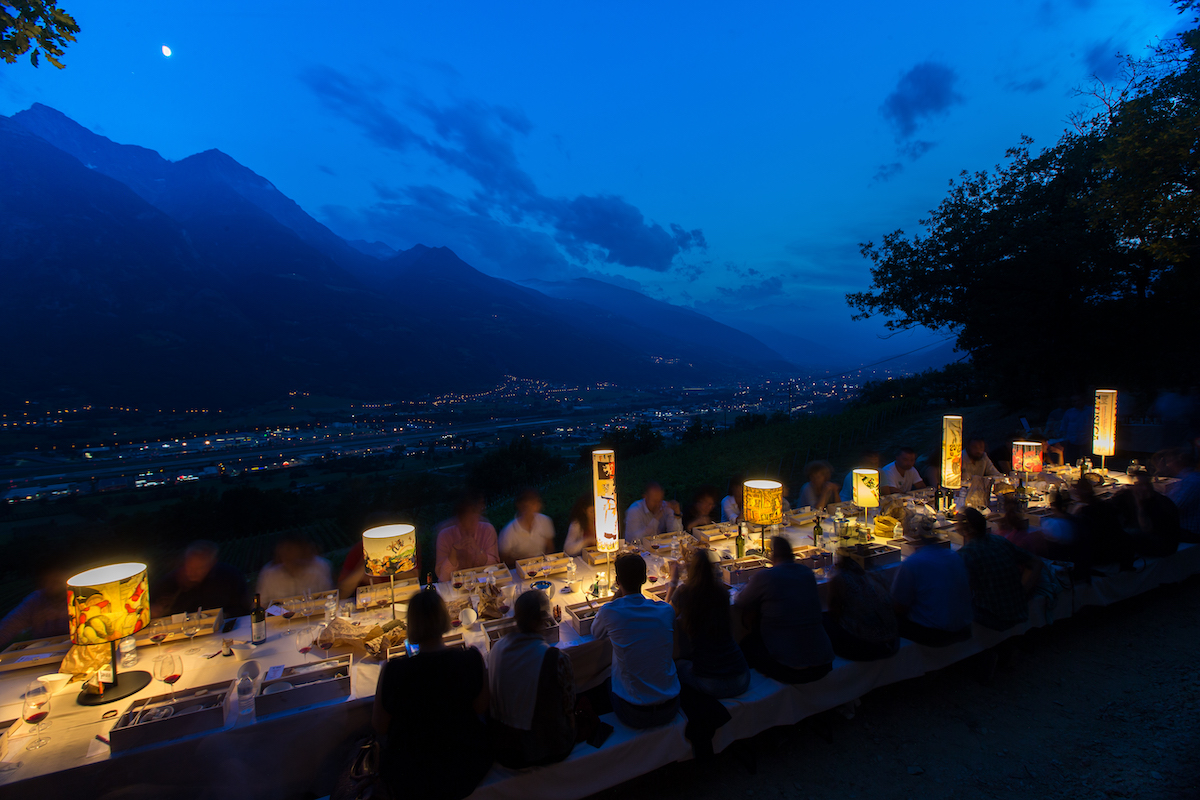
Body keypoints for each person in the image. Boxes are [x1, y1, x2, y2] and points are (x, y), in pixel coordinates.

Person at [374, 589, 490, 800]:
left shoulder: (394, 671)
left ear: (411, 624)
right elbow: (481, 708)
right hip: (464, 769)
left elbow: (379, 726)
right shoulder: (470, 660)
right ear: (444, 618)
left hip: (410, 778)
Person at [487, 590, 575, 768]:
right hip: (543, 749)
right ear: (543, 619)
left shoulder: (496, 649)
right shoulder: (556, 658)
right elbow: (569, 705)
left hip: (503, 747)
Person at [591, 553, 680, 729]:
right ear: (644, 579)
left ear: (617, 581)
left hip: (634, 713)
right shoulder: (665, 610)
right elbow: (666, 612)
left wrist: (617, 595)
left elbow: (596, 632)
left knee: (603, 677)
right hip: (670, 706)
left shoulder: (610, 611)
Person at [735, 537, 833, 684]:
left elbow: (740, 600)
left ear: (772, 556)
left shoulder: (766, 576)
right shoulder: (806, 573)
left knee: (746, 644)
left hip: (791, 668)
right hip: (823, 662)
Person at [667, 550, 750, 698]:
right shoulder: (722, 593)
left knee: (676, 665)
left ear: (690, 570)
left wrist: (673, 582)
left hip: (710, 683)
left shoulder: (685, 593)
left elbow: (665, 615)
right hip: (742, 677)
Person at [891, 515, 974, 646]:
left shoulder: (912, 563)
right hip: (963, 627)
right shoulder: (954, 556)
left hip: (935, 634)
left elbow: (899, 606)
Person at [957, 508, 1041, 632]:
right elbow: (1036, 562)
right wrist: (1023, 591)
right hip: (1018, 609)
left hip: (994, 617)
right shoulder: (1000, 541)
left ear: (965, 530)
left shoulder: (965, 554)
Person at [823, 554, 899, 662]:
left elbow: (834, 614)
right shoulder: (877, 571)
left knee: (823, 619)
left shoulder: (840, 578)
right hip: (893, 642)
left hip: (867, 647)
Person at [152, 540, 249, 618]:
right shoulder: (169, 582)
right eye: (189, 567)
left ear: (212, 563)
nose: (192, 573)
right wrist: (153, 612)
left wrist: (225, 615)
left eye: (200, 568)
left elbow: (243, 609)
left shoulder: (229, 576)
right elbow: (152, 609)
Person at [1111, 472, 1182, 558]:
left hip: (1162, 545)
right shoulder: (1127, 496)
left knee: (1123, 535)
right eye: (1140, 485)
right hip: (1150, 539)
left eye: (1147, 484)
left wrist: (1140, 507)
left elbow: (1147, 529)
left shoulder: (1161, 503)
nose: (1145, 488)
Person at [0, 564, 70, 650]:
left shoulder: (79, 597)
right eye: (46, 581)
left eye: (56, 580)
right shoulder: (35, 601)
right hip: (44, 653)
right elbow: (8, 627)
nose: (52, 584)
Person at [435, 494, 500, 583]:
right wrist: (453, 552)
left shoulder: (487, 530)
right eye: (464, 521)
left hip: (483, 582)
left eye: (472, 521)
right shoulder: (445, 536)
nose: (468, 525)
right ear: (458, 520)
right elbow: (443, 577)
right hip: (455, 585)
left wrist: (478, 550)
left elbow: (494, 567)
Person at [255, 533, 334, 606]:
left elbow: (330, 597)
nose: (287, 555)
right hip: (281, 616)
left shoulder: (320, 566)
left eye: (290, 550)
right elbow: (261, 604)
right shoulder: (269, 573)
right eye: (284, 551)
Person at [499, 488, 555, 566]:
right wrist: (525, 561)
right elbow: (503, 559)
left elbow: (550, 548)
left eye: (534, 503)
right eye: (527, 504)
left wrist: (542, 561)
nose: (530, 507)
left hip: (542, 566)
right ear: (519, 506)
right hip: (519, 568)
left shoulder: (545, 521)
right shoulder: (509, 531)